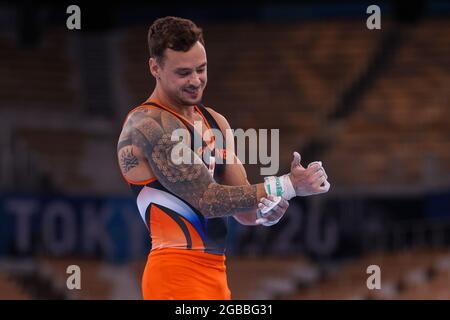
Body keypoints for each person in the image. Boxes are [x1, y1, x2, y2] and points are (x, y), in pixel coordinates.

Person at [117, 16, 330, 300]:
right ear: (155, 67)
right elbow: (208, 200)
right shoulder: (146, 125)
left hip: (217, 274)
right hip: (173, 276)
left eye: (201, 69)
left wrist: (266, 213)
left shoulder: (216, 123)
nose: (195, 81)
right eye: (183, 73)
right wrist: (287, 186)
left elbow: (243, 210)